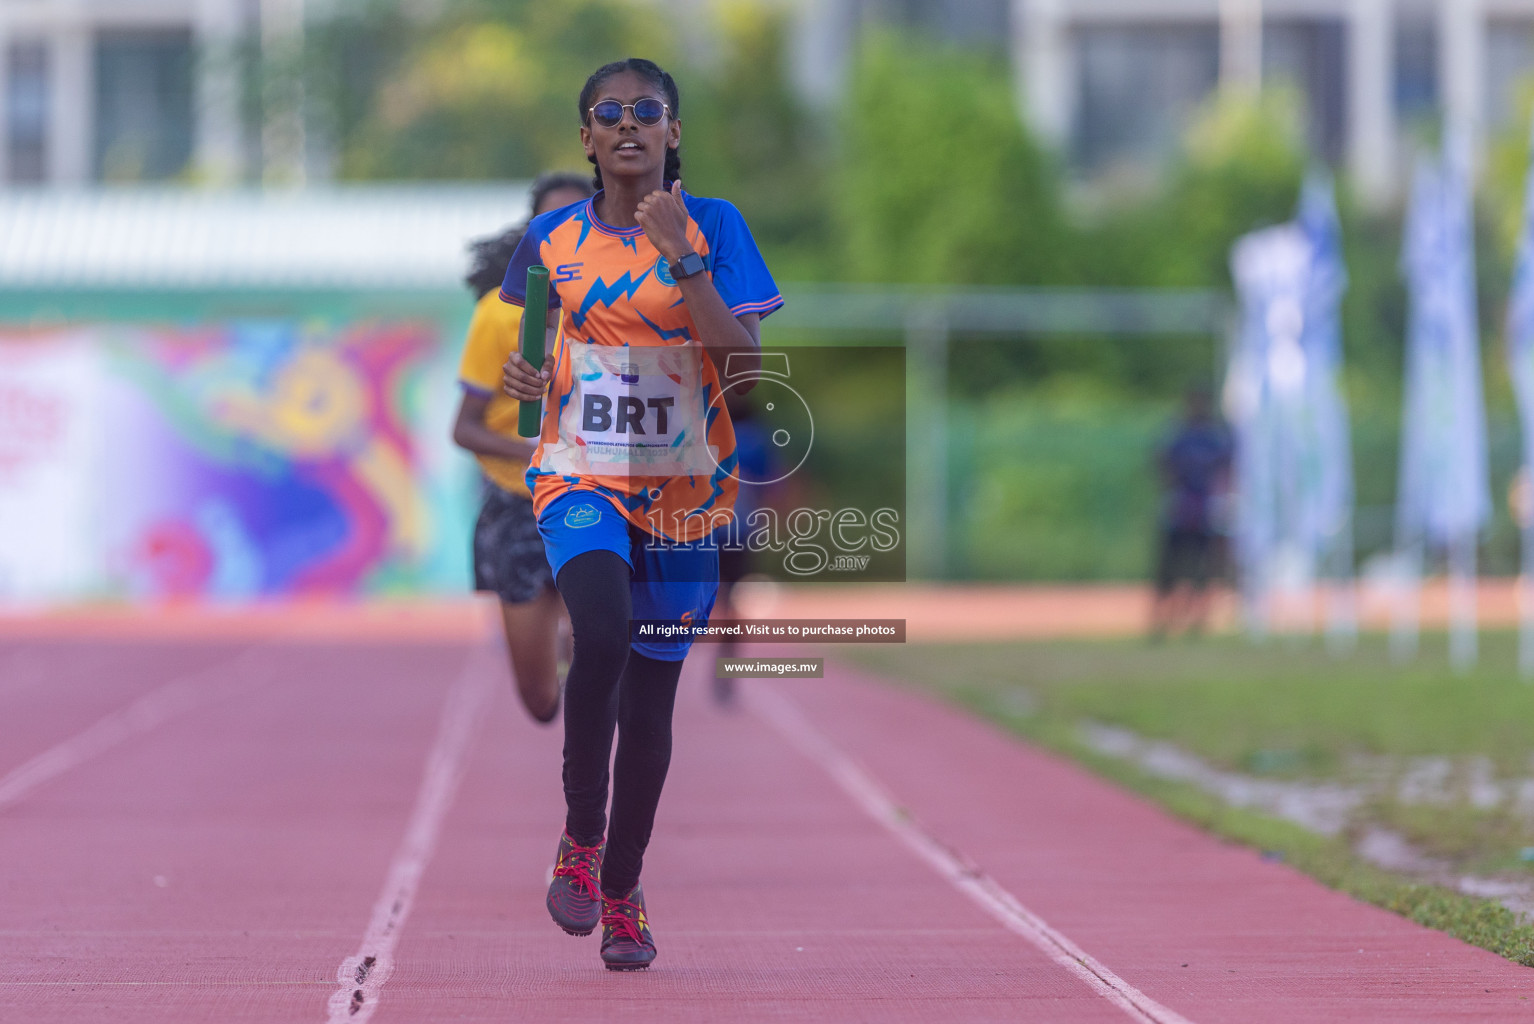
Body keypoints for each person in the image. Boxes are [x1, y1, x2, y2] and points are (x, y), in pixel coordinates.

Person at [500, 57, 782, 972]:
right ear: (585, 138)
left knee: (654, 704)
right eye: (608, 113)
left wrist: (685, 258)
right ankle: (582, 837)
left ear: (673, 132)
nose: (628, 124)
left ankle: (623, 886)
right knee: (605, 631)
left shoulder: (719, 227)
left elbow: (743, 369)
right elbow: (529, 375)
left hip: (687, 492)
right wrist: (528, 383)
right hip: (579, 474)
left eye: (646, 111)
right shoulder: (547, 241)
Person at [453, 172, 596, 722]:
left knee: (606, 671)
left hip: (597, 497)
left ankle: (592, 762)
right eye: (551, 225)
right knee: (539, 701)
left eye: (580, 220)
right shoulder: (499, 313)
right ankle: (563, 655)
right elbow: (464, 428)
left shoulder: (624, 307)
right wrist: (540, 450)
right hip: (519, 503)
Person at [1149, 387, 1234, 640]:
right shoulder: (1177, 434)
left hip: (1204, 512)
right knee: (1169, 569)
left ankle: (1197, 621)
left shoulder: (1214, 437)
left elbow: (1227, 468)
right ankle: (1163, 620)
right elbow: (1160, 462)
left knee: (1203, 569)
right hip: (1180, 511)